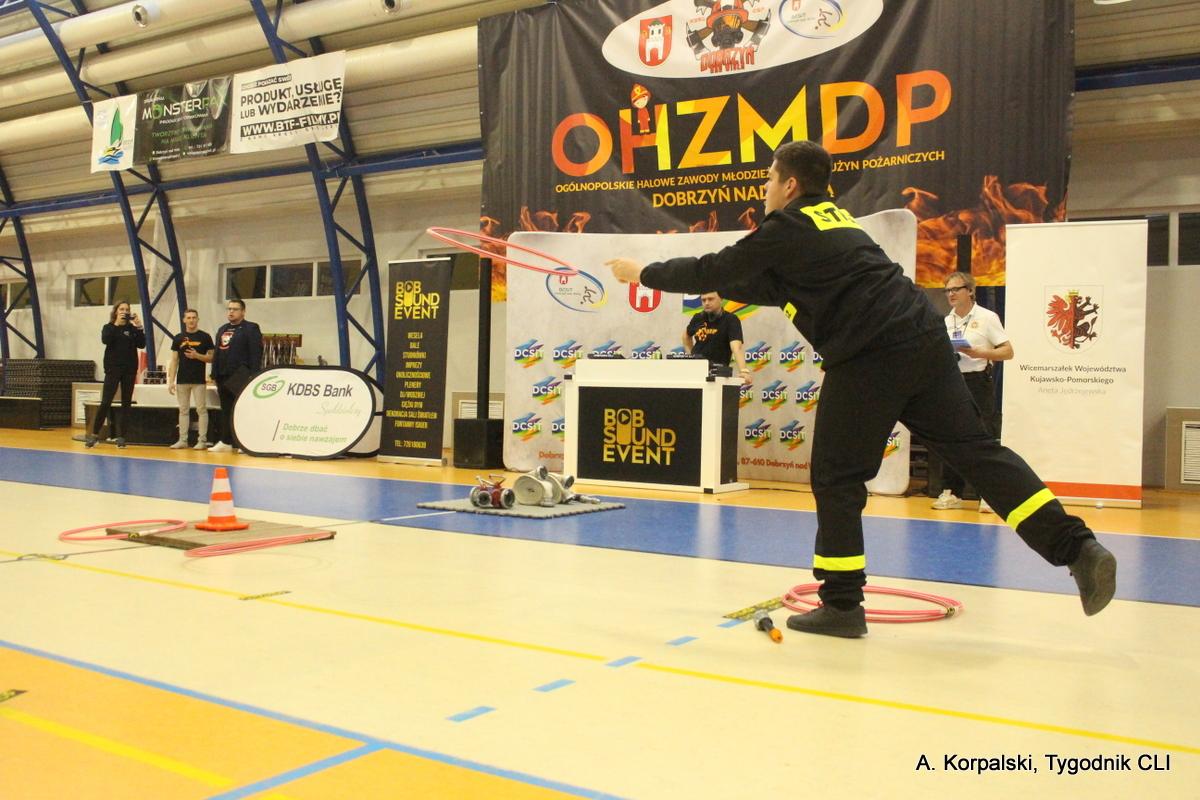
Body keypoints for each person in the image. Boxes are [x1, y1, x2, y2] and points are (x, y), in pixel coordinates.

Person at [606, 140, 1117, 637]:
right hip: (923, 339)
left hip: (871, 353)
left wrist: (644, 273)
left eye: (768, 179)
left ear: (789, 185)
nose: (764, 190)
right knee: (979, 454)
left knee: (836, 478)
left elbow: (718, 267)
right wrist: (700, 282)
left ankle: (842, 605)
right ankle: (1078, 548)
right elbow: (750, 282)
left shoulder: (789, 225)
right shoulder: (835, 223)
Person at [932, 271, 1014, 510]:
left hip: (978, 381)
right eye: (947, 290)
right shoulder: (946, 321)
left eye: (955, 289)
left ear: (970, 291)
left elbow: (1007, 352)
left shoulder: (987, 317)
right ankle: (951, 491)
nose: (951, 294)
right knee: (950, 436)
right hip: (951, 382)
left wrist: (980, 353)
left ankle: (988, 495)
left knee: (983, 436)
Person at [86, 300, 145, 449]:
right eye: (121, 309)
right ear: (116, 312)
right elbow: (106, 340)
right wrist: (117, 324)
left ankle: (121, 437)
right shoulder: (109, 327)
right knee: (106, 401)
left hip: (129, 370)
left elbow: (141, 344)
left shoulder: (132, 329)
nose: (124, 312)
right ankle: (94, 434)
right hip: (113, 369)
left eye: (127, 309)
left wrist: (139, 327)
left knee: (126, 403)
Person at [210, 299, 262, 453]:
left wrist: (253, 374)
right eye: (229, 309)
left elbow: (256, 353)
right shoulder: (222, 329)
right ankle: (226, 441)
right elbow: (217, 353)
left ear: (243, 312)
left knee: (242, 410)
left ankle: (243, 443)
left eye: (235, 309)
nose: (231, 312)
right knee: (226, 409)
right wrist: (214, 373)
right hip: (222, 375)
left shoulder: (251, 328)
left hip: (240, 375)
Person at [168, 309, 214, 450]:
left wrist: (197, 356)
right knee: (183, 410)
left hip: (198, 380)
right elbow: (174, 360)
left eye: (194, 317)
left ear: (198, 319)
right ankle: (183, 440)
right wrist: (171, 380)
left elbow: (212, 358)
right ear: (184, 320)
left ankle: (202, 440)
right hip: (182, 379)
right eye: (188, 317)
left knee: (201, 409)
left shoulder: (205, 337)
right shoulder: (178, 338)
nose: (191, 320)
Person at [684, 290, 751, 382]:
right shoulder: (698, 317)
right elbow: (686, 336)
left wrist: (744, 371)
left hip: (719, 373)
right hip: (696, 371)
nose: (707, 303)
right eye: (703, 300)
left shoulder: (731, 319)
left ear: (721, 299)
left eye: (710, 299)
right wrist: (692, 356)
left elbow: (736, 347)